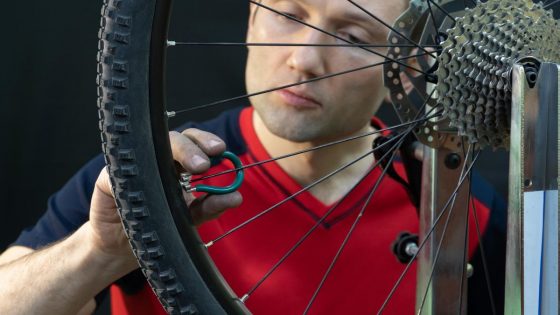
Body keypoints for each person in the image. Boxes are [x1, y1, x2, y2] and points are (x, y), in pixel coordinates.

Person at [0, 0, 506, 314]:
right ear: (251, 17)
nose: (305, 59)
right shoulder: (151, 177)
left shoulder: (464, 214)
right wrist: (99, 253)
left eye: (350, 37)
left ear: (408, 64)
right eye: (288, 15)